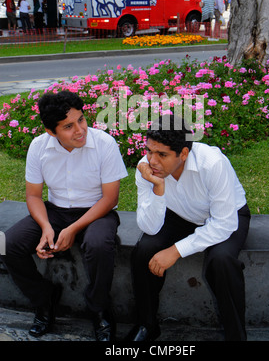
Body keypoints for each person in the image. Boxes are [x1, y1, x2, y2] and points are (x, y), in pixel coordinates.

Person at [1, 90, 128, 341]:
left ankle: (99, 308)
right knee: (10, 244)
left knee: (99, 244)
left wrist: (72, 230)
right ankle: (44, 299)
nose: (80, 130)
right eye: (68, 126)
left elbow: (110, 198)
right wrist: (47, 227)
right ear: (51, 131)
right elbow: (34, 196)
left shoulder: (104, 143)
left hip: (97, 212)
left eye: (81, 119)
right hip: (56, 211)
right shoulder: (39, 146)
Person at [127, 115, 251, 342]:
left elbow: (224, 223)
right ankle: (147, 325)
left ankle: (236, 336)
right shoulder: (146, 170)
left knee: (222, 260)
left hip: (225, 216)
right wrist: (158, 188)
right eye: (149, 151)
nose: (152, 161)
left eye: (162, 154)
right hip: (178, 215)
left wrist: (175, 251)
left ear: (183, 154)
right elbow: (149, 227)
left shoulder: (212, 163)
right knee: (144, 250)